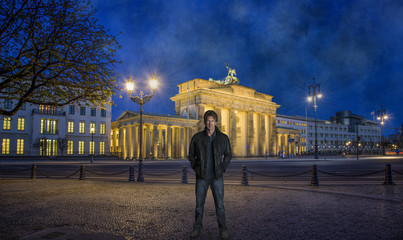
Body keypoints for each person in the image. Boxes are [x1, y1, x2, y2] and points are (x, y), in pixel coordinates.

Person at [188, 110, 232, 239]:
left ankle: (223, 229)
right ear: (205, 122)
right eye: (208, 120)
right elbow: (191, 155)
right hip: (202, 176)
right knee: (199, 206)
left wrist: (222, 168)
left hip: (217, 177)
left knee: (220, 205)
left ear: (216, 122)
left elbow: (228, 155)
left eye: (212, 120)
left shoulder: (223, 138)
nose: (210, 123)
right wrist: (196, 167)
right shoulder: (197, 137)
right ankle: (196, 228)